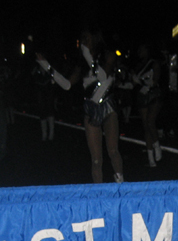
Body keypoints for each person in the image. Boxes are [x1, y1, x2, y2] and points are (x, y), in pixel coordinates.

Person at [36, 28, 124, 183]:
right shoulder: (81, 63)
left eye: (87, 37)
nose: (84, 41)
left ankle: (121, 185)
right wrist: (46, 66)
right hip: (91, 109)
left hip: (108, 108)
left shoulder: (107, 55)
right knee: (96, 159)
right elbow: (66, 85)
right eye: (82, 38)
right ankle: (99, 194)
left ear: (95, 38)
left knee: (113, 150)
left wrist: (87, 54)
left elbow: (102, 76)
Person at [132, 44, 163, 167]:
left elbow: (155, 81)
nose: (139, 51)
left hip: (154, 95)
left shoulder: (154, 63)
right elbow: (133, 84)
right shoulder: (137, 66)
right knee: (146, 125)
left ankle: (157, 145)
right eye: (138, 50)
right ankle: (150, 156)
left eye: (142, 49)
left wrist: (140, 80)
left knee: (150, 121)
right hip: (142, 96)